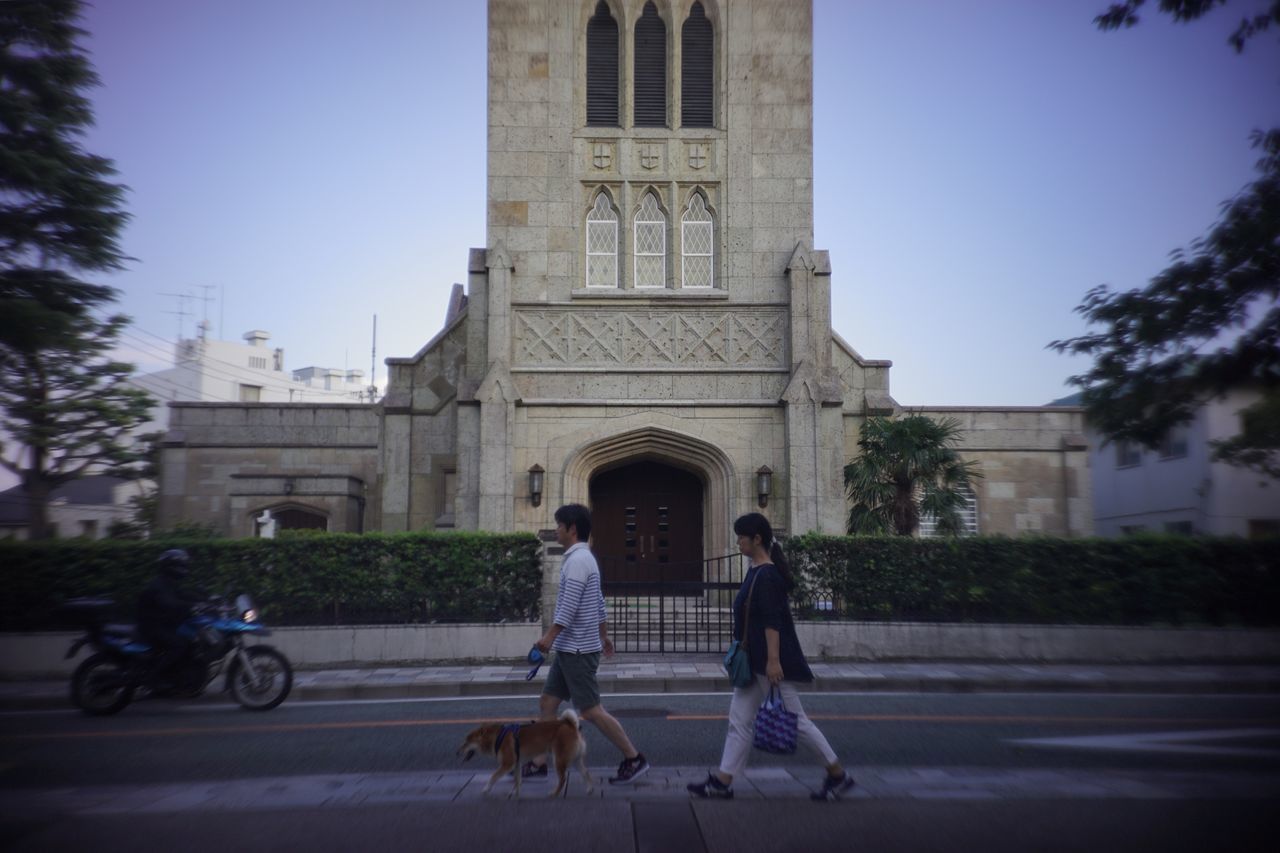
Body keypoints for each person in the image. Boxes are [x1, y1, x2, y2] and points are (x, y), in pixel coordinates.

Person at [687, 512, 856, 801]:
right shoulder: (756, 571)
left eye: (742, 536)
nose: (737, 541)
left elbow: (772, 621)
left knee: (797, 721)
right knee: (739, 720)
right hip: (753, 662)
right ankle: (723, 781)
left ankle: (838, 775)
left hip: (768, 662)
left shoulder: (767, 576)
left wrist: (774, 661)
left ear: (757, 539)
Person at [525, 503, 650, 785]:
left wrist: (547, 638)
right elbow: (599, 604)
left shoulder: (579, 561)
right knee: (548, 703)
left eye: (559, 525)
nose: (555, 529)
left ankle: (634, 757)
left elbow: (568, 608)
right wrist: (603, 635)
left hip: (577, 650)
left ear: (572, 529)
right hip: (572, 648)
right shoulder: (582, 558)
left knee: (591, 710)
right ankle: (539, 763)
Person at [136, 548, 201, 683]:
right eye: (181, 565)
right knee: (179, 645)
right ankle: (152, 678)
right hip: (152, 626)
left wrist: (207, 600)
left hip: (165, 624)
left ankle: (178, 675)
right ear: (171, 566)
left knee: (191, 642)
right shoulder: (158, 584)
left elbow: (183, 594)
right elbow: (168, 603)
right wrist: (191, 606)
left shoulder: (169, 582)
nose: (184, 568)